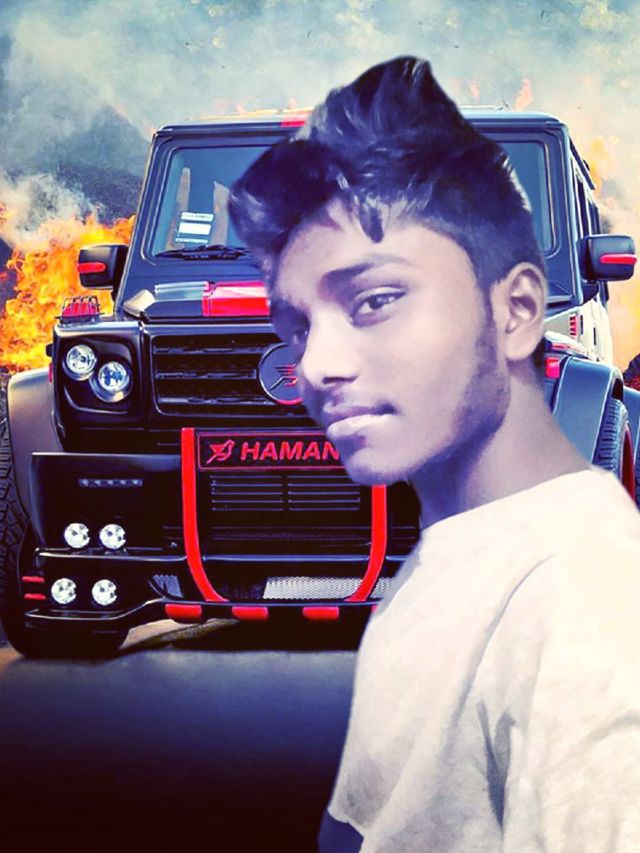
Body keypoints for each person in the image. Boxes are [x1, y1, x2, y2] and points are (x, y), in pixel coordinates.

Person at [229, 56, 640, 852]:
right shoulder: (461, 553)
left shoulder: (584, 603)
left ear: (518, 310)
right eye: (298, 327)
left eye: (375, 300)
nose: (312, 367)